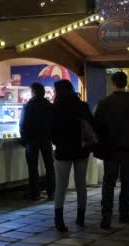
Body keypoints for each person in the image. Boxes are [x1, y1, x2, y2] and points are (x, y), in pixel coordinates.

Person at [94, 72, 129, 230]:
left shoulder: (104, 103)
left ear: (113, 83)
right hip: (128, 149)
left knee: (108, 182)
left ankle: (106, 215)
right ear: (126, 83)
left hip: (110, 149)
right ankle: (124, 212)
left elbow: (97, 126)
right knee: (127, 181)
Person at [50, 79, 92, 232]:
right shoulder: (82, 106)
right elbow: (90, 126)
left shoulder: (55, 108)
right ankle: (81, 217)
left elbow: (52, 131)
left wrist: (57, 142)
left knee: (61, 185)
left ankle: (59, 220)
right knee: (81, 184)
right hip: (81, 149)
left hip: (63, 150)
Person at [19, 83, 55, 201]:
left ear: (33, 92)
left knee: (33, 166)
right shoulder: (49, 105)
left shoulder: (29, 106)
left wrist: (24, 139)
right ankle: (51, 192)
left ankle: (34, 193)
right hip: (46, 139)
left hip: (32, 139)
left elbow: (23, 124)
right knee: (49, 165)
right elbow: (53, 123)